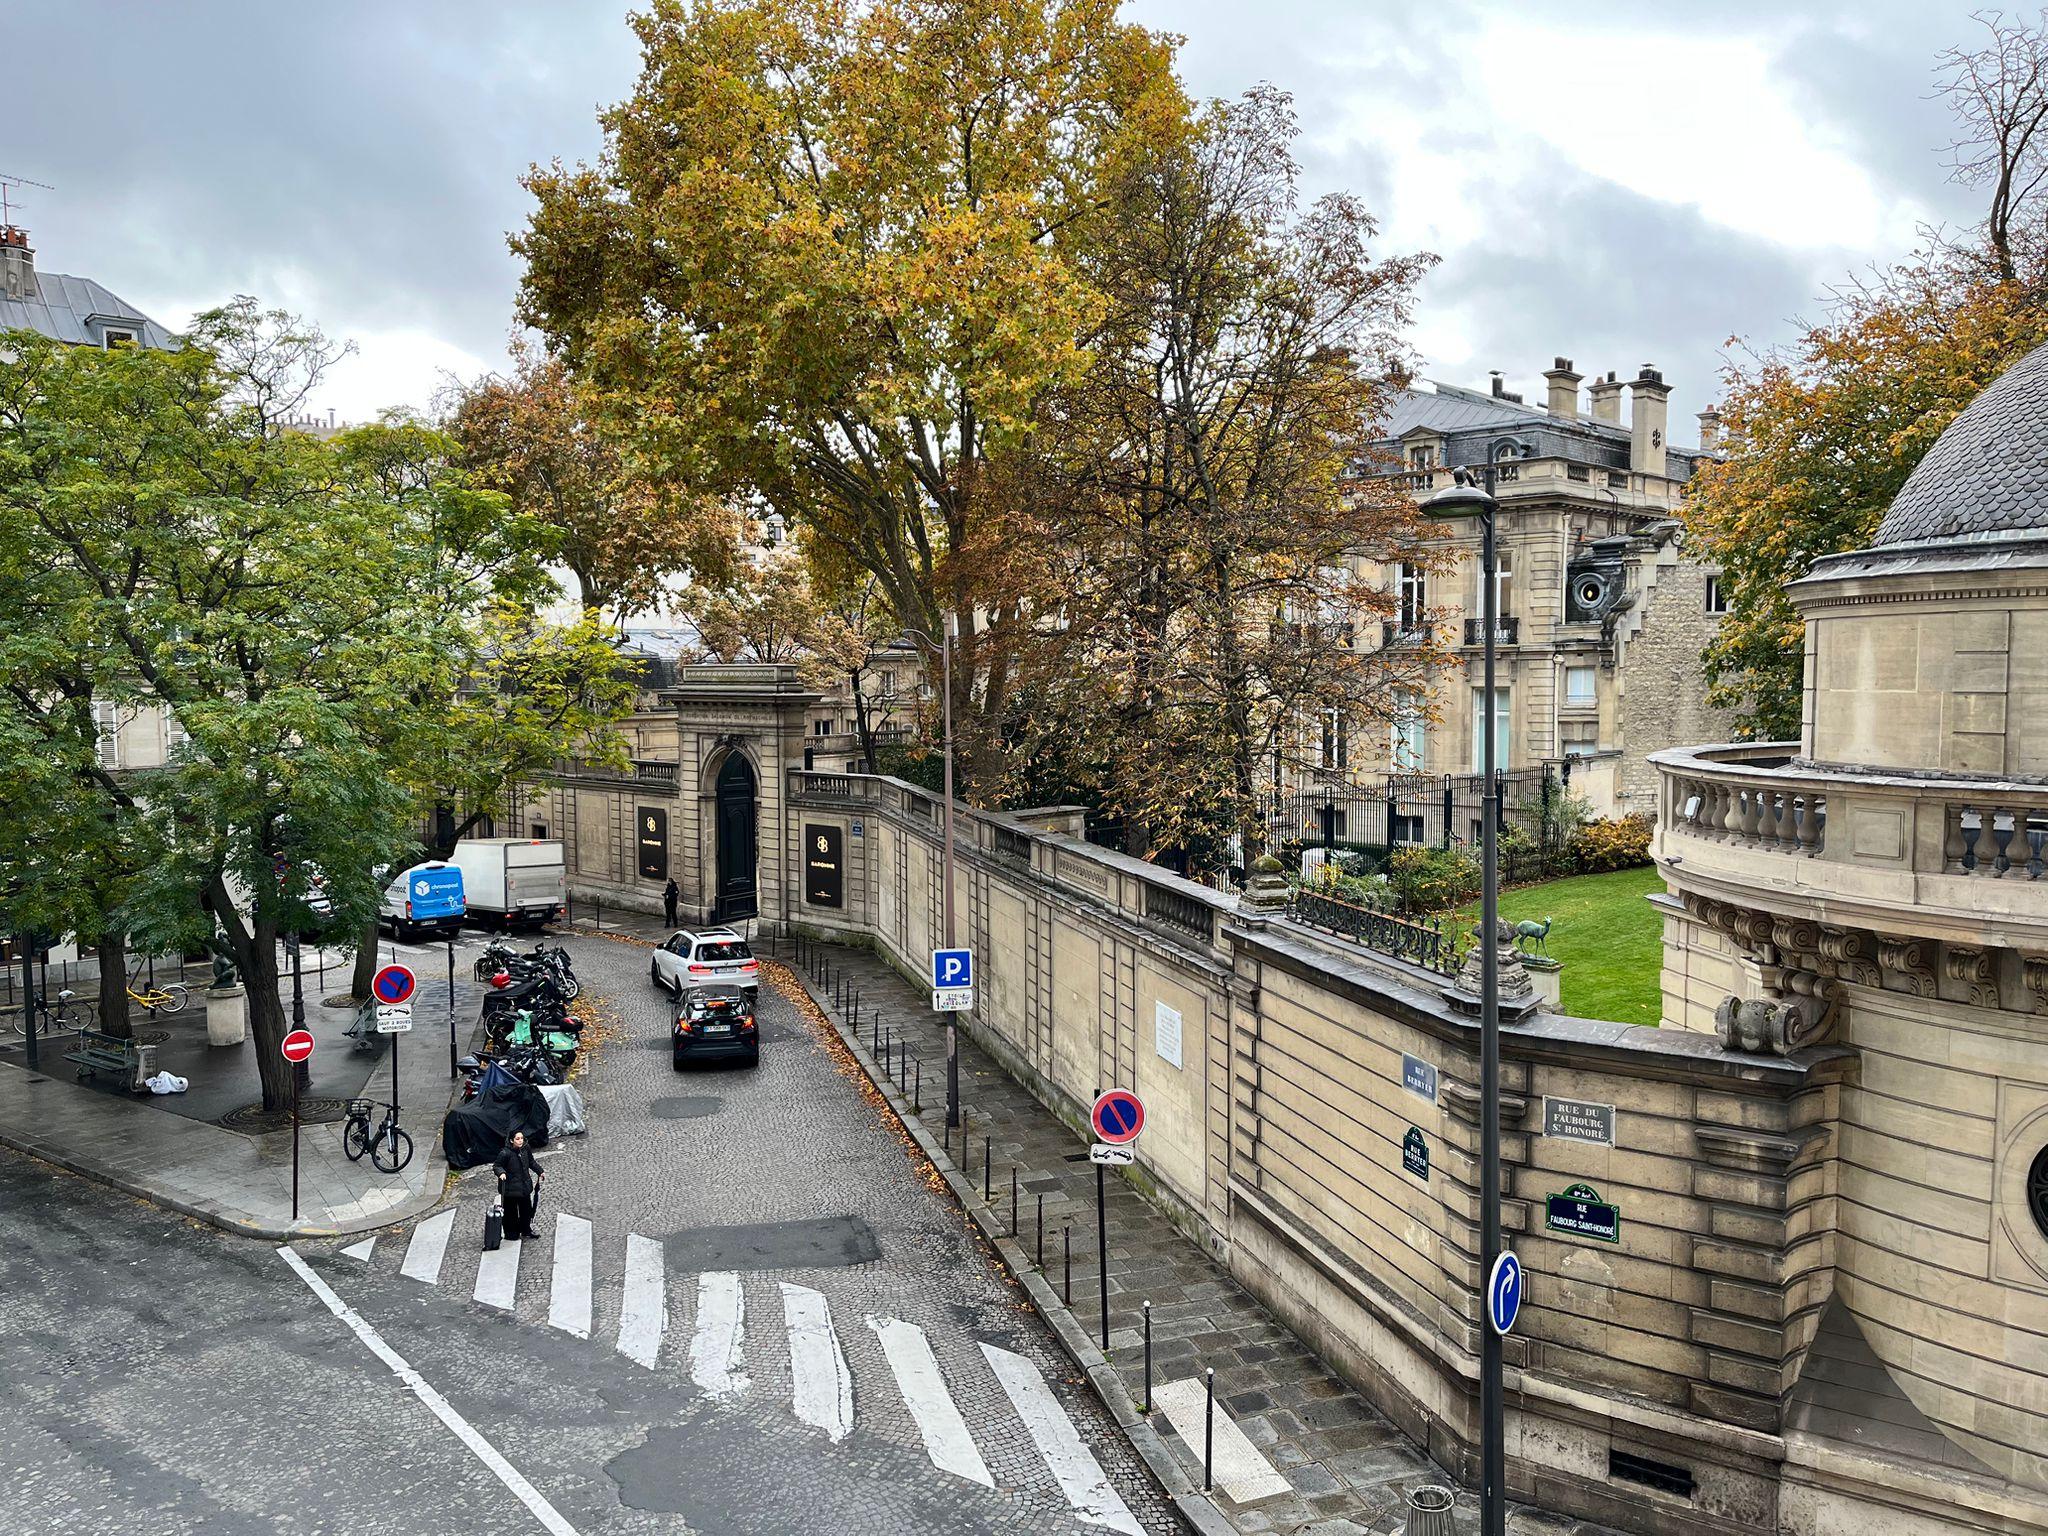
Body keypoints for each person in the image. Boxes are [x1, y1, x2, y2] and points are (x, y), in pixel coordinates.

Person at [494, 1129, 543, 1242]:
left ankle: (526, 1230)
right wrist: (501, 1173)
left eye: (521, 1138)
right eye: (517, 1139)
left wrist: (540, 1171)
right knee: (511, 1213)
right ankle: (511, 1233)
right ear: (511, 1140)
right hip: (510, 1189)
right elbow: (497, 1165)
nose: (520, 1141)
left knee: (526, 1210)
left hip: (524, 1186)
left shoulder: (526, 1149)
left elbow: (531, 1162)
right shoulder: (505, 1153)